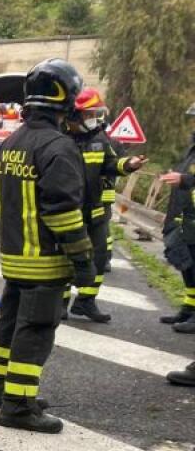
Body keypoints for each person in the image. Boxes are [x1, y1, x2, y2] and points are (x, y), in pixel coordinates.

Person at [0, 58, 93, 434]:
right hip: (45, 261)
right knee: (36, 330)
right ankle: (18, 406)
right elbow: (63, 212)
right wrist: (83, 260)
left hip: (14, 258)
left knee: (10, 323)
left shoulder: (10, 143)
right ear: (66, 99)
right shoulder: (58, 147)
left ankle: (1, 389)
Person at [63, 88, 147, 322]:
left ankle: (86, 301)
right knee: (64, 259)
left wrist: (128, 165)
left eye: (96, 114)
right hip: (68, 211)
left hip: (96, 210)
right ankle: (59, 303)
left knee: (99, 258)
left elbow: (111, 163)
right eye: (90, 114)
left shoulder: (99, 139)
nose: (94, 119)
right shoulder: (59, 140)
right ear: (74, 115)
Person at [160, 101, 195, 342]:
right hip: (186, 217)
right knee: (188, 266)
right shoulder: (192, 147)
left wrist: (184, 179)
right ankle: (188, 309)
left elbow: (188, 178)